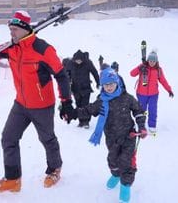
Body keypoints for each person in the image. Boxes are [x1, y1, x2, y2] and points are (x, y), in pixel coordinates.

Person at [0, 10, 73, 193]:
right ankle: (12, 178)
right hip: (21, 104)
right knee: (8, 138)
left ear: (25, 29)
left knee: (47, 139)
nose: (11, 33)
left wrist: (66, 101)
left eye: (15, 30)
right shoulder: (12, 47)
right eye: (10, 29)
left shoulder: (43, 50)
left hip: (42, 105)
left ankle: (54, 169)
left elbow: (61, 75)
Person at [63, 68, 147, 203]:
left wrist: (141, 126)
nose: (109, 87)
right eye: (106, 85)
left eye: (111, 84)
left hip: (128, 137)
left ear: (117, 83)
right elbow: (88, 110)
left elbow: (139, 111)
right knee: (112, 160)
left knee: (126, 162)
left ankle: (125, 185)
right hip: (111, 138)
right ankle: (115, 175)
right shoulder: (101, 101)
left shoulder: (127, 98)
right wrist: (73, 113)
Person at [130, 51, 174, 133]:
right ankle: (141, 125)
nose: (152, 63)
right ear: (148, 60)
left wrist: (169, 90)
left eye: (154, 61)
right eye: (150, 61)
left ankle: (152, 125)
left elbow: (163, 81)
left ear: (156, 61)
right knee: (141, 110)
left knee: (152, 109)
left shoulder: (158, 70)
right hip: (141, 93)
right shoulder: (143, 67)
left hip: (153, 95)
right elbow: (132, 74)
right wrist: (139, 67)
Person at [65, 50, 99, 128]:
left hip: (86, 87)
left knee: (85, 105)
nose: (79, 62)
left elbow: (94, 72)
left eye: (80, 60)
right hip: (75, 88)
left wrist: (98, 82)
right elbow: (67, 74)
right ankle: (81, 121)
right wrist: (68, 82)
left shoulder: (88, 63)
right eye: (77, 60)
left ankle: (86, 121)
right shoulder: (70, 63)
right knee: (78, 104)